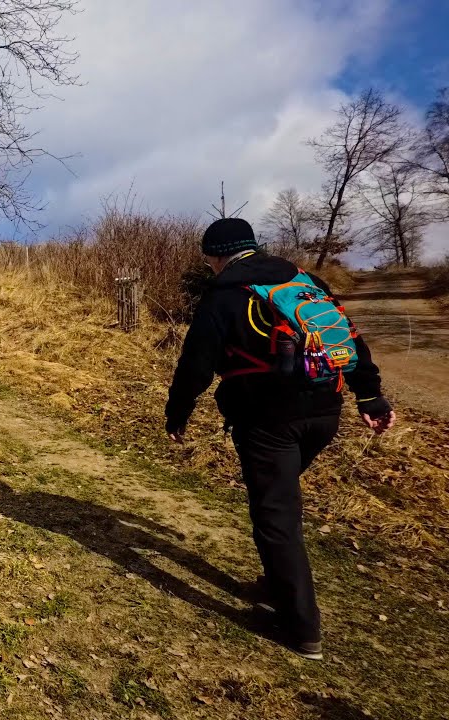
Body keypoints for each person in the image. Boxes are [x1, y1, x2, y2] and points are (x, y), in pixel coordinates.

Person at [165, 217, 395, 661]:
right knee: (279, 500)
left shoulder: (224, 294)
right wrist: (371, 398)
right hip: (325, 414)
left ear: (215, 256)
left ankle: (300, 626)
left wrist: (178, 412)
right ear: (253, 245)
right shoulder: (305, 279)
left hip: (267, 420)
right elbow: (346, 338)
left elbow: (197, 363)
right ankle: (275, 582)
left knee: (276, 515)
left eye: (209, 258)